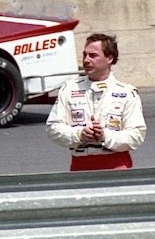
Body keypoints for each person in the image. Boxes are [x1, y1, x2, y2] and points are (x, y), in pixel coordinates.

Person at [46, 33, 147, 172]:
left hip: (116, 165)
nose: (86, 60)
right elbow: (53, 128)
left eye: (93, 55)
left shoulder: (127, 93)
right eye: (84, 55)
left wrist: (105, 135)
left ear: (109, 58)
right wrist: (79, 134)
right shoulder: (69, 89)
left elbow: (136, 135)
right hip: (80, 166)